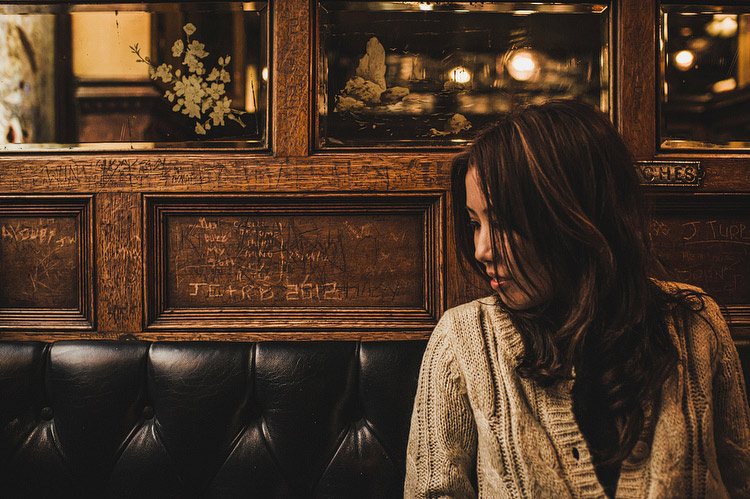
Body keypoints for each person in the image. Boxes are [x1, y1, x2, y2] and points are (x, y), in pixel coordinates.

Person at [404, 100, 750, 498]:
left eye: (500, 224)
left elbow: (739, 479)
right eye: (474, 224)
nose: (481, 249)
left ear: (572, 216)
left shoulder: (695, 322)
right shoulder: (463, 339)